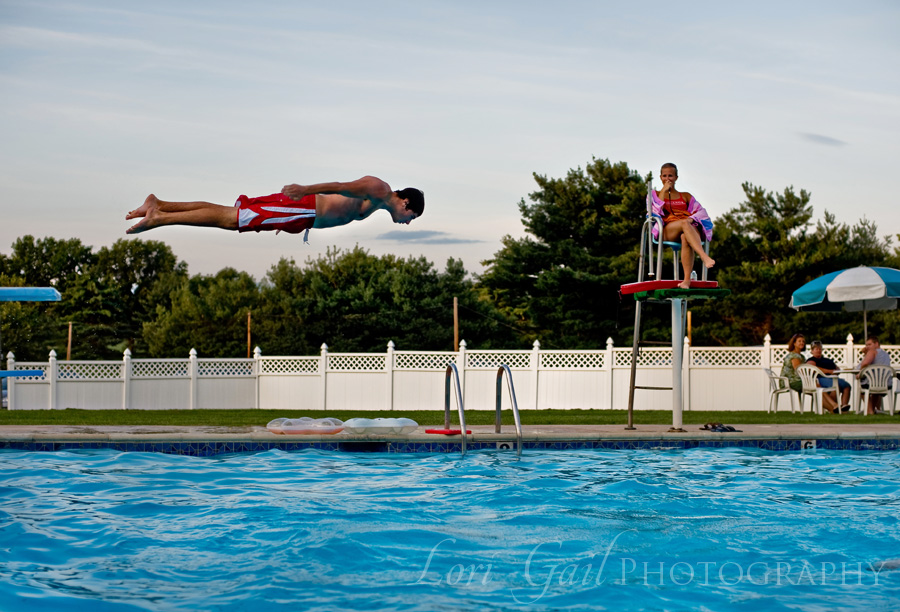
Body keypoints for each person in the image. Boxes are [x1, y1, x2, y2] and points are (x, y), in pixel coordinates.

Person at [125, 176, 424, 238]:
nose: (408, 222)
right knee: (232, 220)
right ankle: (160, 218)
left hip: (302, 216)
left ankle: (159, 205)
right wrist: (305, 190)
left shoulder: (379, 203)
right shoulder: (379, 189)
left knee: (231, 215)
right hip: (304, 207)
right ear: (407, 203)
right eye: (412, 216)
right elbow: (339, 187)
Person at [650, 163, 715, 288]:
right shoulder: (654, 194)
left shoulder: (686, 196)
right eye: (664, 176)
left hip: (686, 226)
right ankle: (704, 257)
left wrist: (691, 219)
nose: (667, 178)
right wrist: (664, 190)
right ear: (660, 177)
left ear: (676, 177)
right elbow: (656, 211)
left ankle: (686, 281)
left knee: (685, 237)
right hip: (668, 229)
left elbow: (701, 211)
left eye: (671, 176)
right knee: (685, 223)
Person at [806, 340, 850, 413]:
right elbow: (814, 368)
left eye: (820, 349)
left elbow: (837, 368)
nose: (818, 350)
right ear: (812, 351)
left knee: (847, 386)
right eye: (816, 349)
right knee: (836, 386)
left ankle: (844, 406)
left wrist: (835, 372)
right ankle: (834, 407)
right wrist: (829, 371)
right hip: (821, 378)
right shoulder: (811, 360)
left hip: (833, 378)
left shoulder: (827, 360)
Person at [857, 334, 892, 415]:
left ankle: (870, 411)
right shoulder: (886, 354)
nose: (867, 347)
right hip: (886, 384)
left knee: (862, 389)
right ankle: (872, 409)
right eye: (866, 345)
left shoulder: (872, 352)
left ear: (876, 344)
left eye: (869, 344)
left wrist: (860, 372)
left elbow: (865, 363)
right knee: (875, 391)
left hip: (873, 383)